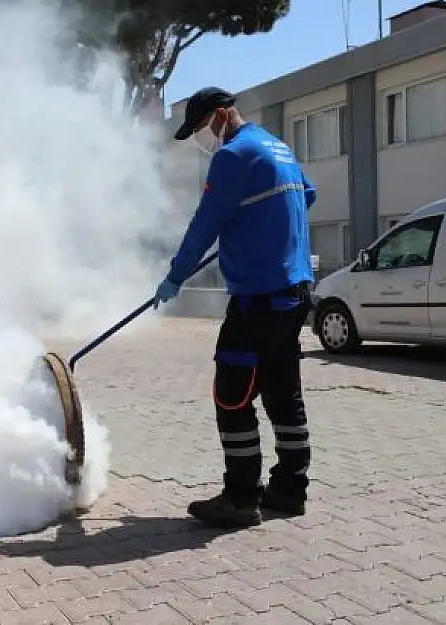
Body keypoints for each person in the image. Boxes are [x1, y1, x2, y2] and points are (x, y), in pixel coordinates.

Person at [155, 87, 317, 529]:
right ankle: (289, 489)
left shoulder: (233, 157)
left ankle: (241, 497)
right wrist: (262, 222)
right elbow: (309, 195)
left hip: (257, 302)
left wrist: (176, 275)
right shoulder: (279, 148)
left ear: (223, 114)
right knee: (284, 394)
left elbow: (204, 225)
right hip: (294, 296)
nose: (204, 139)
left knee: (232, 395)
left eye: (203, 127)